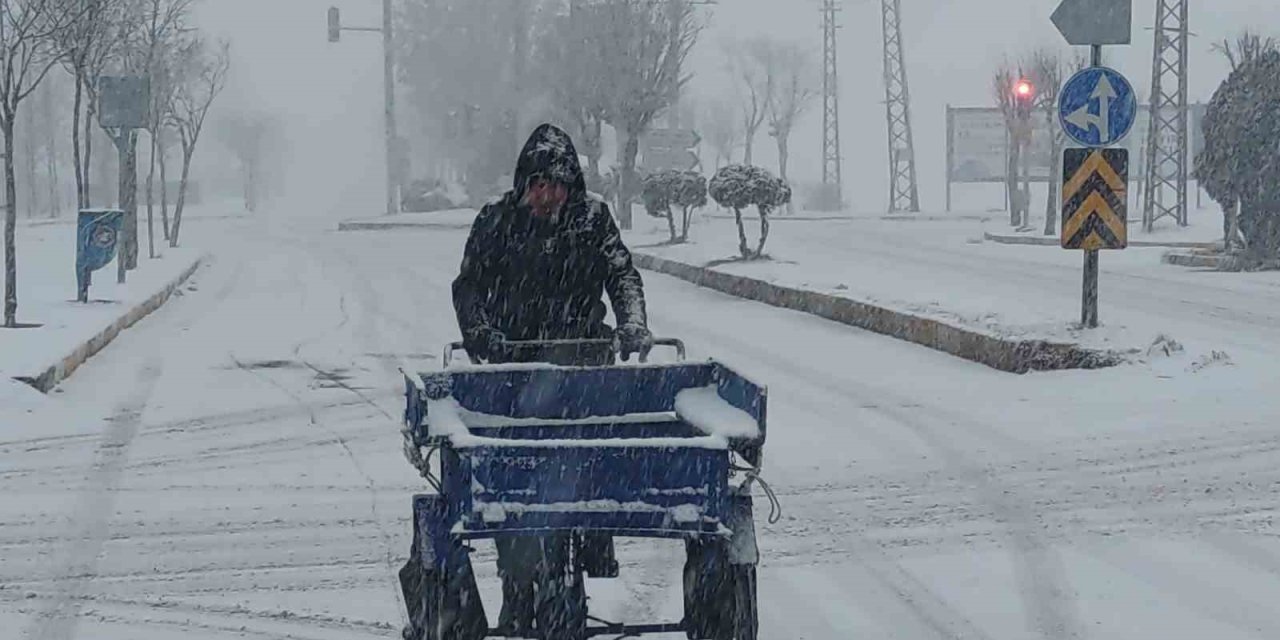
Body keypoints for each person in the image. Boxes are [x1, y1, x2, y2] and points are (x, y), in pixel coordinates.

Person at [400, 123, 653, 638]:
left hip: (585, 375)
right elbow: (468, 287)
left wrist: (632, 322)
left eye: (557, 185)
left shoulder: (592, 218)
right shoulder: (495, 222)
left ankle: (585, 549)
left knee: (585, 477)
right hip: (511, 379)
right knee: (512, 490)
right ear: (523, 184)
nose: (547, 196)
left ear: (571, 186)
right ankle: (518, 589)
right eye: (538, 185)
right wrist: (481, 334)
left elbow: (622, 273)